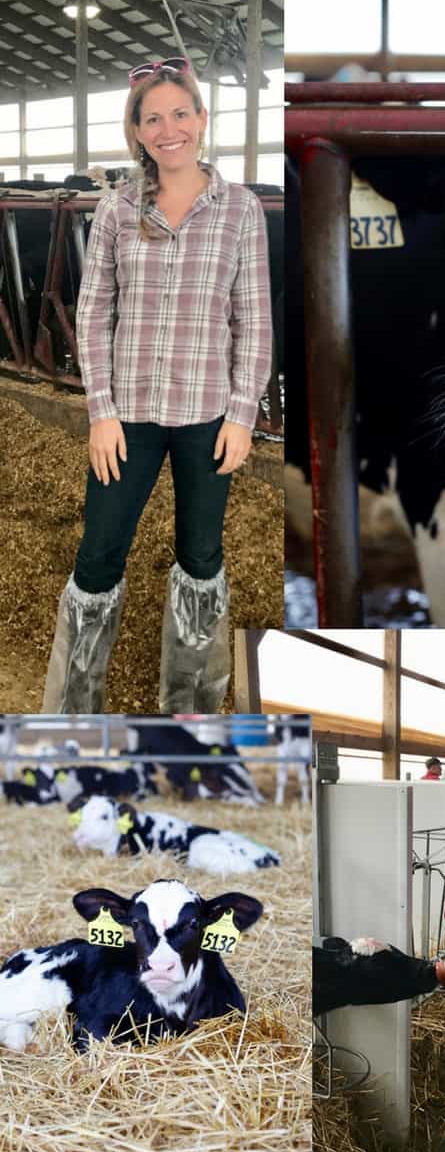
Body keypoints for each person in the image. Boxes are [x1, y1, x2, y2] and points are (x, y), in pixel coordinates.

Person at [42, 56, 271, 714]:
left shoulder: (241, 211)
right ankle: (72, 711)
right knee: (99, 551)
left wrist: (242, 416)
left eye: (179, 114)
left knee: (201, 552)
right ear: (137, 132)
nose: (167, 129)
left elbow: (252, 318)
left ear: (201, 120)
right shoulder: (118, 207)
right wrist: (101, 413)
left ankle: (191, 703)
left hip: (207, 416)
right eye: (152, 119)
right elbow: (93, 312)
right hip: (130, 416)